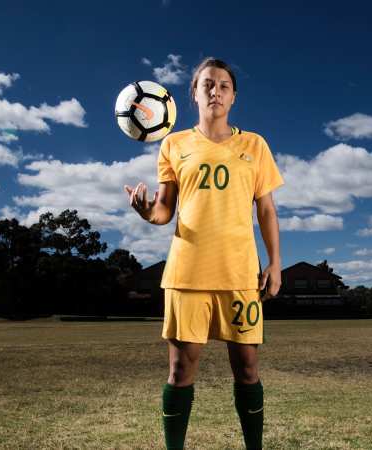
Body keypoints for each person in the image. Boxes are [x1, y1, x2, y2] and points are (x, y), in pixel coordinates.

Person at [124, 57, 284, 450]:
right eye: (207, 84)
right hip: (187, 273)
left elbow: (266, 209)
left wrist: (276, 263)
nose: (216, 91)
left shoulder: (255, 145)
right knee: (180, 371)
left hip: (240, 273)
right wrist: (147, 212)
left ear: (234, 97)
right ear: (193, 94)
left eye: (224, 85)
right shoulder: (174, 144)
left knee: (248, 369)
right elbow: (165, 210)